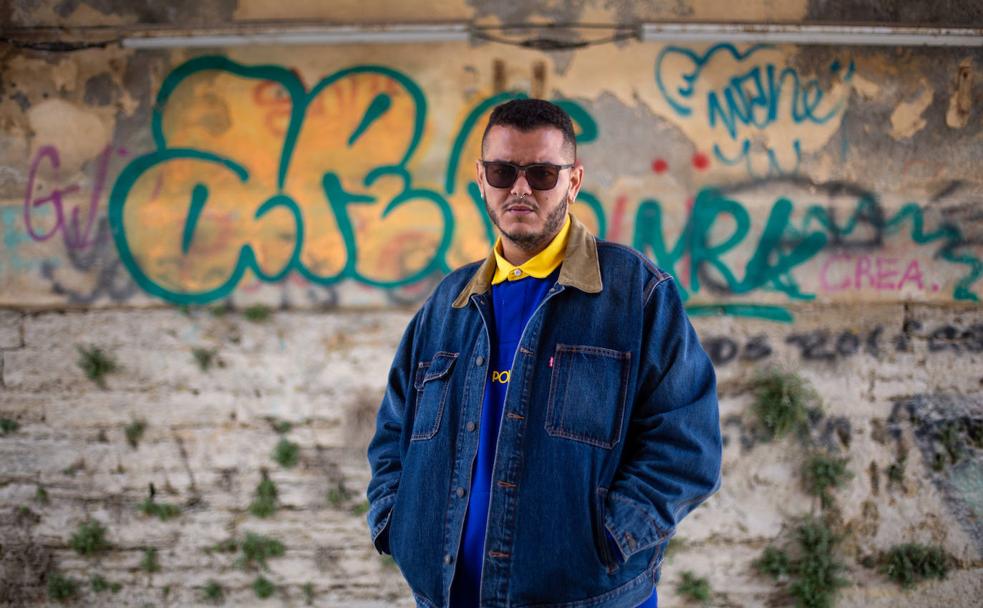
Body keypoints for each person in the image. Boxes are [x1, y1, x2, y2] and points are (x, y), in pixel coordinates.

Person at [366, 99, 721, 608]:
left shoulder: (634, 294)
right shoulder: (447, 304)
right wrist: (396, 522)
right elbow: (393, 434)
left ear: (574, 181)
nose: (520, 188)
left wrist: (608, 541)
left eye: (542, 173)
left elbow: (688, 445)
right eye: (503, 170)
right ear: (481, 177)